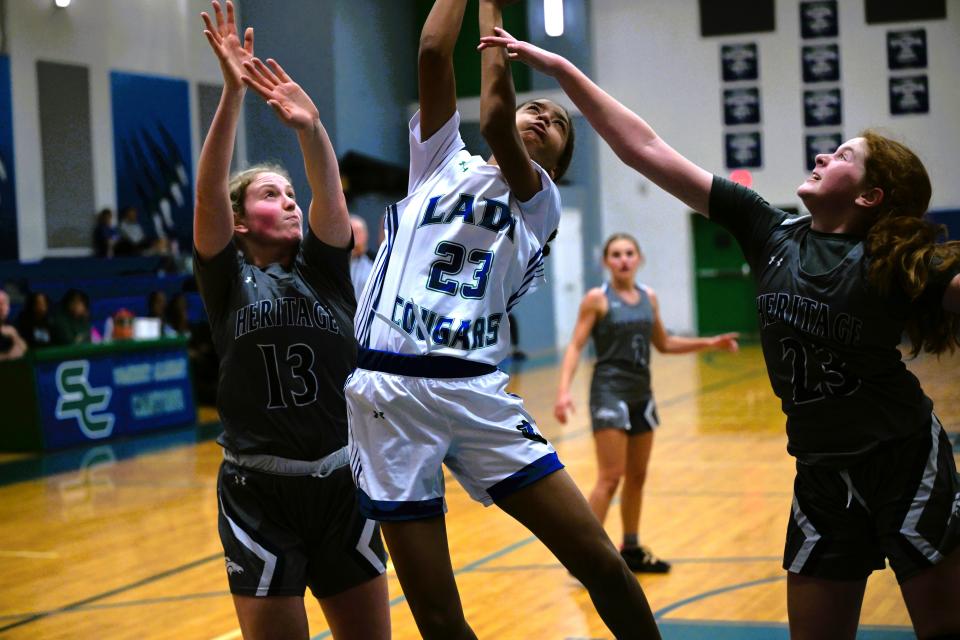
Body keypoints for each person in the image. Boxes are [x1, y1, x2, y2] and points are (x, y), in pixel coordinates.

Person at [478, 29, 960, 640]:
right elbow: (644, 147)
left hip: (906, 462)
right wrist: (561, 69)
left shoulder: (899, 260)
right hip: (818, 470)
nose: (821, 157)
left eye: (840, 156)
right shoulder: (769, 231)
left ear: (869, 195)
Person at [346, 2, 659, 638]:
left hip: (473, 392)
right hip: (386, 393)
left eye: (558, 124)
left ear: (556, 163)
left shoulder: (536, 202)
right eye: (536, 108)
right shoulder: (439, 164)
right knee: (437, 615)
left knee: (601, 562)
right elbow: (434, 55)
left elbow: (493, 116)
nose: (544, 114)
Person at [195, 2, 388, 639]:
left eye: (289, 192)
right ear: (242, 220)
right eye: (270, 194)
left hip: (340, 483)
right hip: (258, 492)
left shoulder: (325, 268)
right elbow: (207, 194)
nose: (290, 202)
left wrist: (311, 130)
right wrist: (231, 95)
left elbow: (328, 191)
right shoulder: (227, 277)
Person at [555, 232, 738, 573]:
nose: (623, 259)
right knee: (610, 477)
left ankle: (632, 547)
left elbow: (664, 343)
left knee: (637, 476)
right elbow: (576, 346)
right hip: (609, 392)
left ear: (639, 259)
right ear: (606, 262)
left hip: (642, 393)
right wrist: (563, 391)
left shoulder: (647, 297)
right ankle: (583, 556)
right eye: (615, 254)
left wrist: (710, 342)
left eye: (629, 253)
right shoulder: (597, 299)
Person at [348, 214, 374, 297]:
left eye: (356, 233)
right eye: (349, 232)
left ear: (366, 235)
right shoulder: (334, 262)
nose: (353, 238)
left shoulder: (375, 261)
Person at [0, 289, 27, 360]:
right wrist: (7, 356)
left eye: (5, 304)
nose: (1, 308)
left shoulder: (11, 325)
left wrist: (14, 336)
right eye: (0, 304)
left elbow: (24, 349)